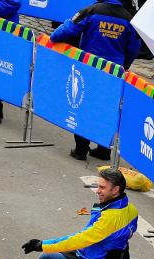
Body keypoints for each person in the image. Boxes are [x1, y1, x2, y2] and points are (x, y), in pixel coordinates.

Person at [22, 168, 138, 259]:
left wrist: (43, 245)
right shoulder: (131, 209)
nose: (97, 191)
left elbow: (79, 239)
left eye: (102, 187)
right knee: (62, 251)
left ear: (116, 190)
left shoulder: (108, 219)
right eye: (98, 186)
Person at [49, 0, 141, 160]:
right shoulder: (128, 19)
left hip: (89, 68)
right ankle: (104, 150)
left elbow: (68, 29)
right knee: (105, 109)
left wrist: (54, 36)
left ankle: (81, 150)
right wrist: (123, 66)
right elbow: (133, 48)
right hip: (113, 72)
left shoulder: (92, 10)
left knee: (83, 106)